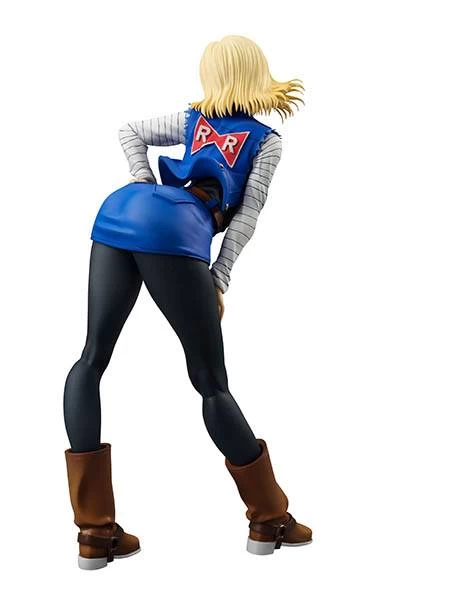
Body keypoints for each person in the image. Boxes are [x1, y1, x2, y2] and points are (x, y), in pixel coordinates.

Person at [63, 35, 312, 570]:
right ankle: (269, 517)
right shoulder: (265, 141)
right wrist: (219, 277)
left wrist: (141, 182)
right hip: (175, 231)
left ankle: (94, 532)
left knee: (91, 359)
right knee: (210, 382)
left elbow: (129, 130)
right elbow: (246, 216)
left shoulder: (190, 118)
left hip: (118, 212)